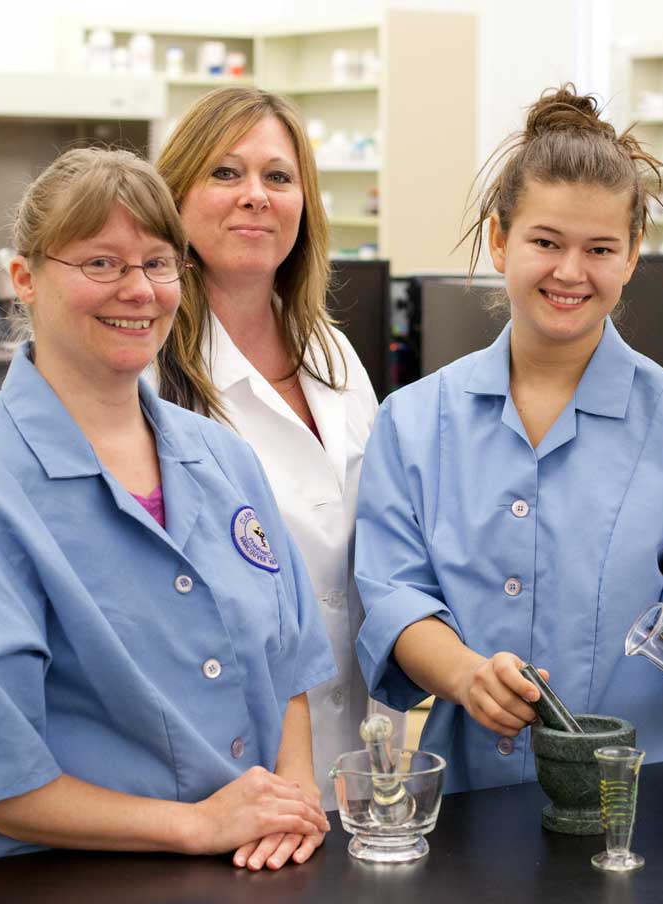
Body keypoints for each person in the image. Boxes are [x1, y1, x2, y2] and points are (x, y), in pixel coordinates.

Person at [353, 86, 663, 793]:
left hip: (644, 799)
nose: (570, 272)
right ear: (500, 240)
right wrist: (467, 677)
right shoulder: (414, 420)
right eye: (546, 242)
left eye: (600, 248)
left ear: (633, 255)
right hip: (473, 799)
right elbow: (395, 593)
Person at [0, 148, 336, 868]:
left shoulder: (223, 458)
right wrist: (196, 826)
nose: (138, 290)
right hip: (50, 879)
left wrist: (291, 801)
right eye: (101, 264)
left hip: (250, 867)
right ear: (24, 278)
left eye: (157, 263)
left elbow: (291, 662)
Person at [155, 88, 398, 807]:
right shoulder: (148, 363)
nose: (255, 196)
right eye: (225, 174)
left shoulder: (332, 352)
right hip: (212, 768)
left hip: (348, 754)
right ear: (175, 199)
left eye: (278, 177)